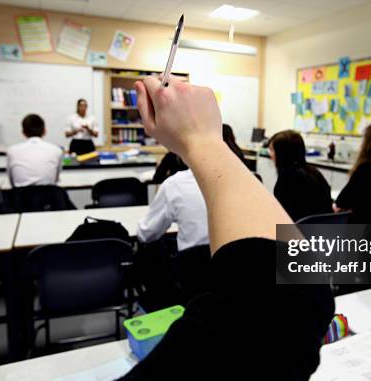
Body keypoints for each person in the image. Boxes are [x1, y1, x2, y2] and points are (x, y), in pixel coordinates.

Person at [121, 75, 334, 380]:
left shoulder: (173, 186)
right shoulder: (289, 179)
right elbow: (295, 304)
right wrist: (204, 140)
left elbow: (146, 234)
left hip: (195, 277)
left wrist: (199, 143)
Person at [137, 124, 244, 252]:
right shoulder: (247, 182)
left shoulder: (175, 185)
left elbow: (146, 234)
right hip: (236, 266)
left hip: (191, 267)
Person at [268, 130, 333, 221]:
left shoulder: (287, 178)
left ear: (281, 153)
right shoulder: (314, 172)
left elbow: (282, 216)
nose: (269, 154)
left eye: (271, 150)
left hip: (299, 232)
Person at [7, 114, 63, 187]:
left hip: (21, 197)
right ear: (44, 131)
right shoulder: (57, 150)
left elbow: (12, 181)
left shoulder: (11, 151)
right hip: (49, 196)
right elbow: (55, 179)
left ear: (23, 133)